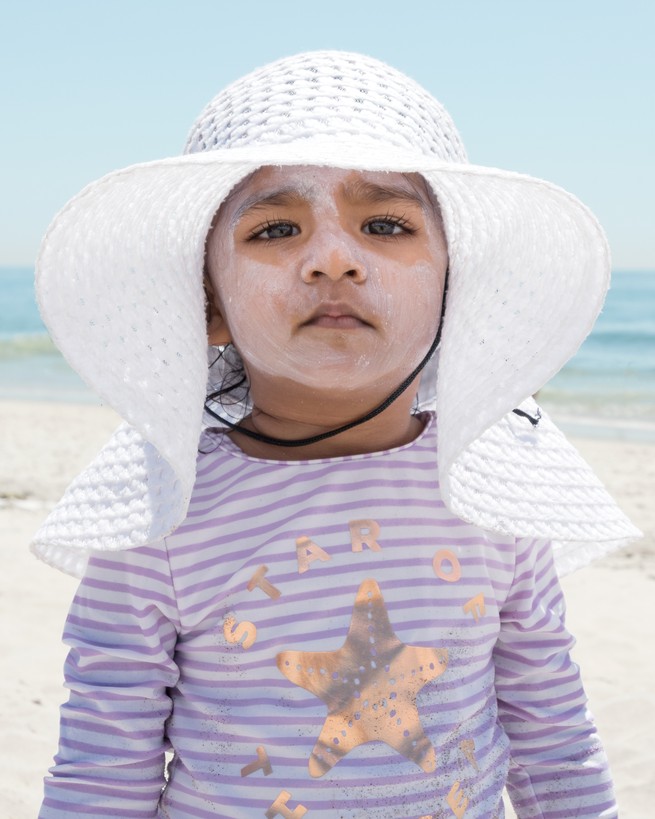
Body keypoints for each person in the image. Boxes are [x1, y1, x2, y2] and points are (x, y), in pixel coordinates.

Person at [33, 51, 640, 818]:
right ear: (208, 306)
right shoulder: (155, 515)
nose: (331, 259)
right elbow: (100, 770)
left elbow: (552, 733)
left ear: (456, 293)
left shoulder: (494, 487)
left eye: (384, 224)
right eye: (276, 227)